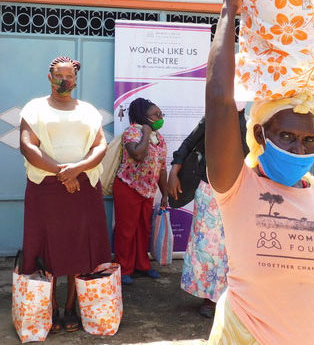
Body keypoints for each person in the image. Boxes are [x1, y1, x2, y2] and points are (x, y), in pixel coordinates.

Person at [204, 0, 314, 345]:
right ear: (261, 136)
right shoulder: (237, 186)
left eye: (309, 140)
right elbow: (219, 101)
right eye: (287, 137)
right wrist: (230, 12)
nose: (298, 149)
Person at [19, 56, 111, 333]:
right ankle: (48, 309)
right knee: (46, 248)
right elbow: (27, 146)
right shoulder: (34, 108)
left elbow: (100, 146)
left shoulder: (88, 111)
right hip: (45, 189)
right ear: (50, 77)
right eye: (59, 76)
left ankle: (70, 308)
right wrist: (63, 173)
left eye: (69, 76)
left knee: (79, 248)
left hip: (84, 188)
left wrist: (78, 169)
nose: (64, 81)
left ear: (76, 79)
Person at [168, 109, 248, 318]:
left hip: (238, 191)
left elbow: (253, 155)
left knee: (233, 247)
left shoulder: (249, 127)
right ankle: (209, 298)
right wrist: (174, 172)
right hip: (208, 190)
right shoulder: (211, 118)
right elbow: (188, 143)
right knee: (207, 246)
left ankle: (231, 297)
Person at [113, 97, 168, 285]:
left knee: (143, 229)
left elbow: (161, 168)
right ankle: (123, 268)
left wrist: (165, 194)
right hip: (128, 187)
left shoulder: (160, 138)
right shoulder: (132, 132)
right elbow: (137, 154)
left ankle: (142, 265)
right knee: (126, 230)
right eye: (156, 115)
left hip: (148, 191)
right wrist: (145, 133)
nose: (160, 117)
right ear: (144, 117)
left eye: (161, 114)